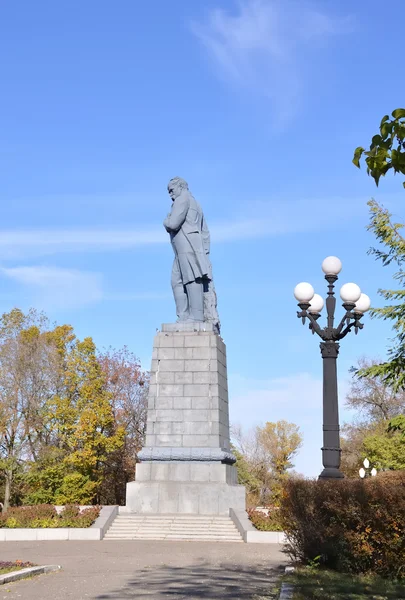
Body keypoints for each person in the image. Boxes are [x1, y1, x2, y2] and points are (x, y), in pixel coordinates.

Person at [163, 177, 220, 330]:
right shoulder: (196, 202)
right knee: (178, 280)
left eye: (171, 190)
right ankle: (184, 316)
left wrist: (166, 221)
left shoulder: (182, 199)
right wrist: (204, 250)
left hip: (187, 244)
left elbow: (173, 223)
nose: (170, 194)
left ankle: (196, 317)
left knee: (191, 278)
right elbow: (205, 231)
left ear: (180, 187)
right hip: (190, 246)